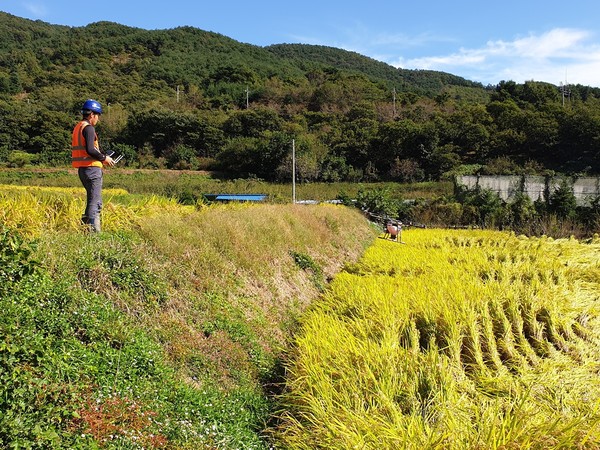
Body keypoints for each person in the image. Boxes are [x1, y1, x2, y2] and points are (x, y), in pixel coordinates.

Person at [71, 99, 115, 232]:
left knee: (92, 200)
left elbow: (88, 149)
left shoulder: (79, 127)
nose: (98, 119)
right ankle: (93, 233)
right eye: (98, 116)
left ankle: (85, 229)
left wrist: (101, 157)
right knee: (95, 202)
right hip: (91, 169)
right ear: (92, 115)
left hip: (83, 169)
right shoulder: (89, 128)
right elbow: (90, 149)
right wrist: (104, 158)